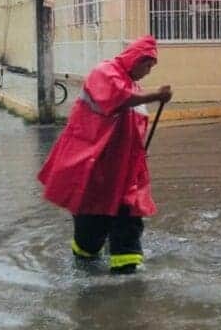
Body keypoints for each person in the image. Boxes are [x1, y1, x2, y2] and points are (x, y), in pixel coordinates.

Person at [37, 35, 172, 274]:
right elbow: (117, 99)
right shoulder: (105, 73)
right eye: (147, 65)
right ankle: (85, 265)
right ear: (137, 60)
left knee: (128, 219)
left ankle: (127, 273)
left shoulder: (134, 87)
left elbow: (133, 131)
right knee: (91, 224)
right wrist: (156, 95)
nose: (148, 72)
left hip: (122, 173)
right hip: (95, 168)